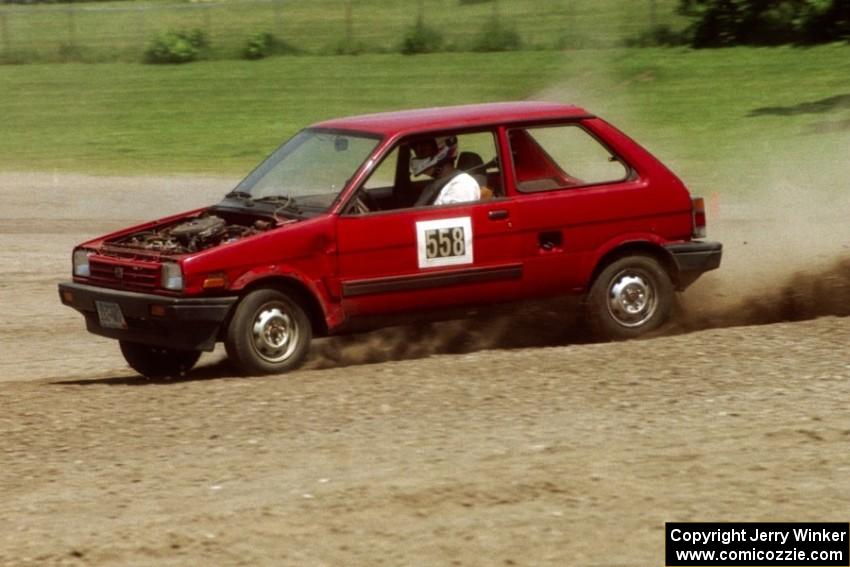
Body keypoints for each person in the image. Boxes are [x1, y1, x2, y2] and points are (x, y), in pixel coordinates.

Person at [411, 136, 480, 206]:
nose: (418, 157)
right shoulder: (432, 186)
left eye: (423, 151)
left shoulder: (461, 186)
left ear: (442, 151)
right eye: (417, 152)